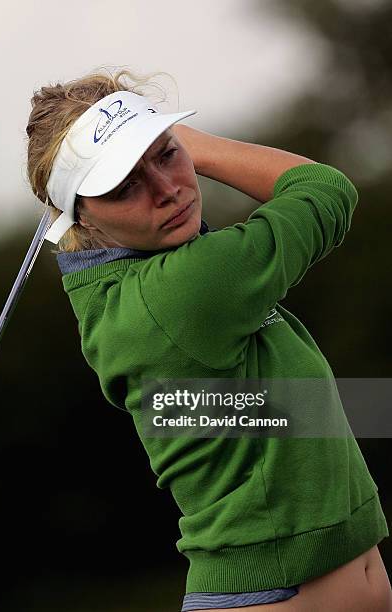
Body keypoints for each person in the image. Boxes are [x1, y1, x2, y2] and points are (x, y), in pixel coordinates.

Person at [25, 67, 392, 611]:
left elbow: (286, 416)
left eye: (167, 156)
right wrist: (196, 146)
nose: (167, 190)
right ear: (83, 216)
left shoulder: (126, 291)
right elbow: (326, 190)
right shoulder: (186, 290)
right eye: (125, 186)